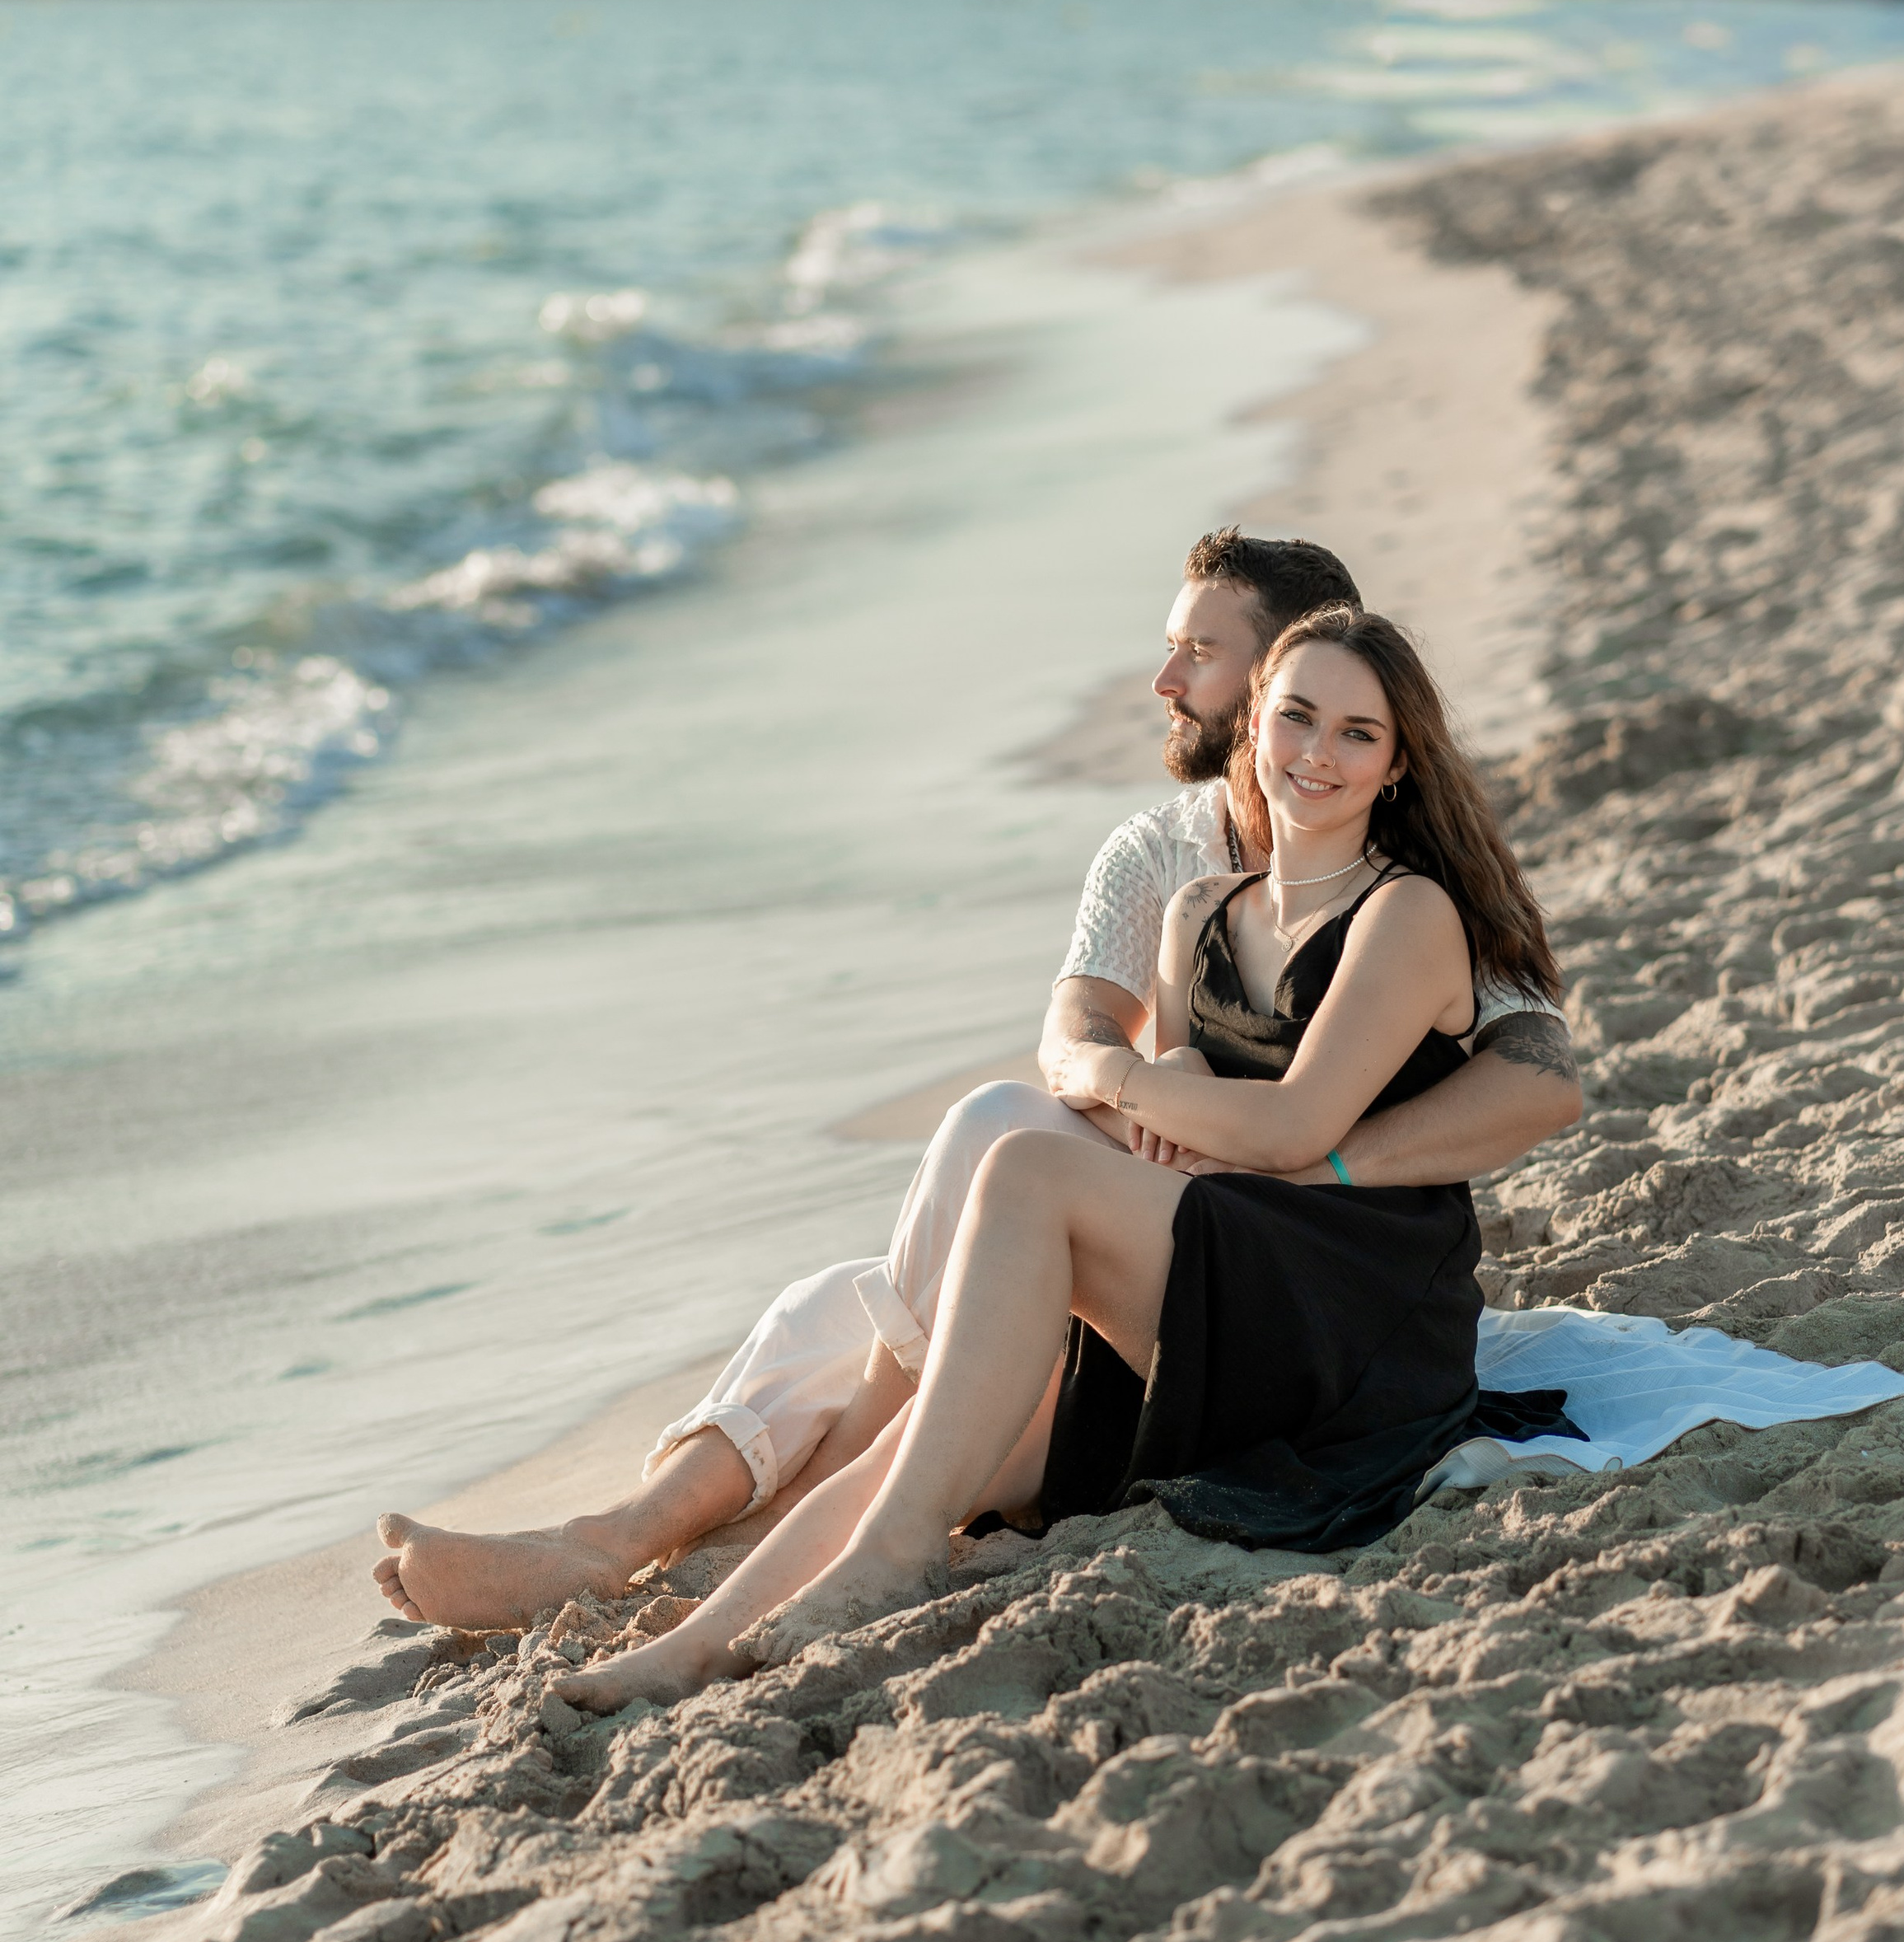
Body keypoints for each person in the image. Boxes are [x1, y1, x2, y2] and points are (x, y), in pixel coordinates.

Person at [372, 530, 1581, 1631]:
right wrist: (1149, 1097)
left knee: (989, 1147)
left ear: (1287, 680)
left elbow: (1532, 1085)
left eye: (1200, 656)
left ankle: (658, 1546)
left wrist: (1308, 1159)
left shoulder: (1406, 884)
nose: (1168, 684)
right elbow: (1073, 1042)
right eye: (1183, 658)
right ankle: (626, 1546)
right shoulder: (1167, 858)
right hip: (1148, 1183)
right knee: (833, 1303)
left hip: (1256, 1231)